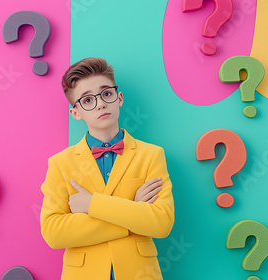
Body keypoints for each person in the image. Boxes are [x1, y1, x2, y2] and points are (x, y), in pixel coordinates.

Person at [40, 57, 174, 280]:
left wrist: (92, 204)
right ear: (75, 113)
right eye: (87, 100)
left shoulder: (151, 155)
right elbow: (54, 233)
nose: (100, 104)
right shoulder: (60, 163)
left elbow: (161, 223)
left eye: (106, 94)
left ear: (118, 98)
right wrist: (133, 212)